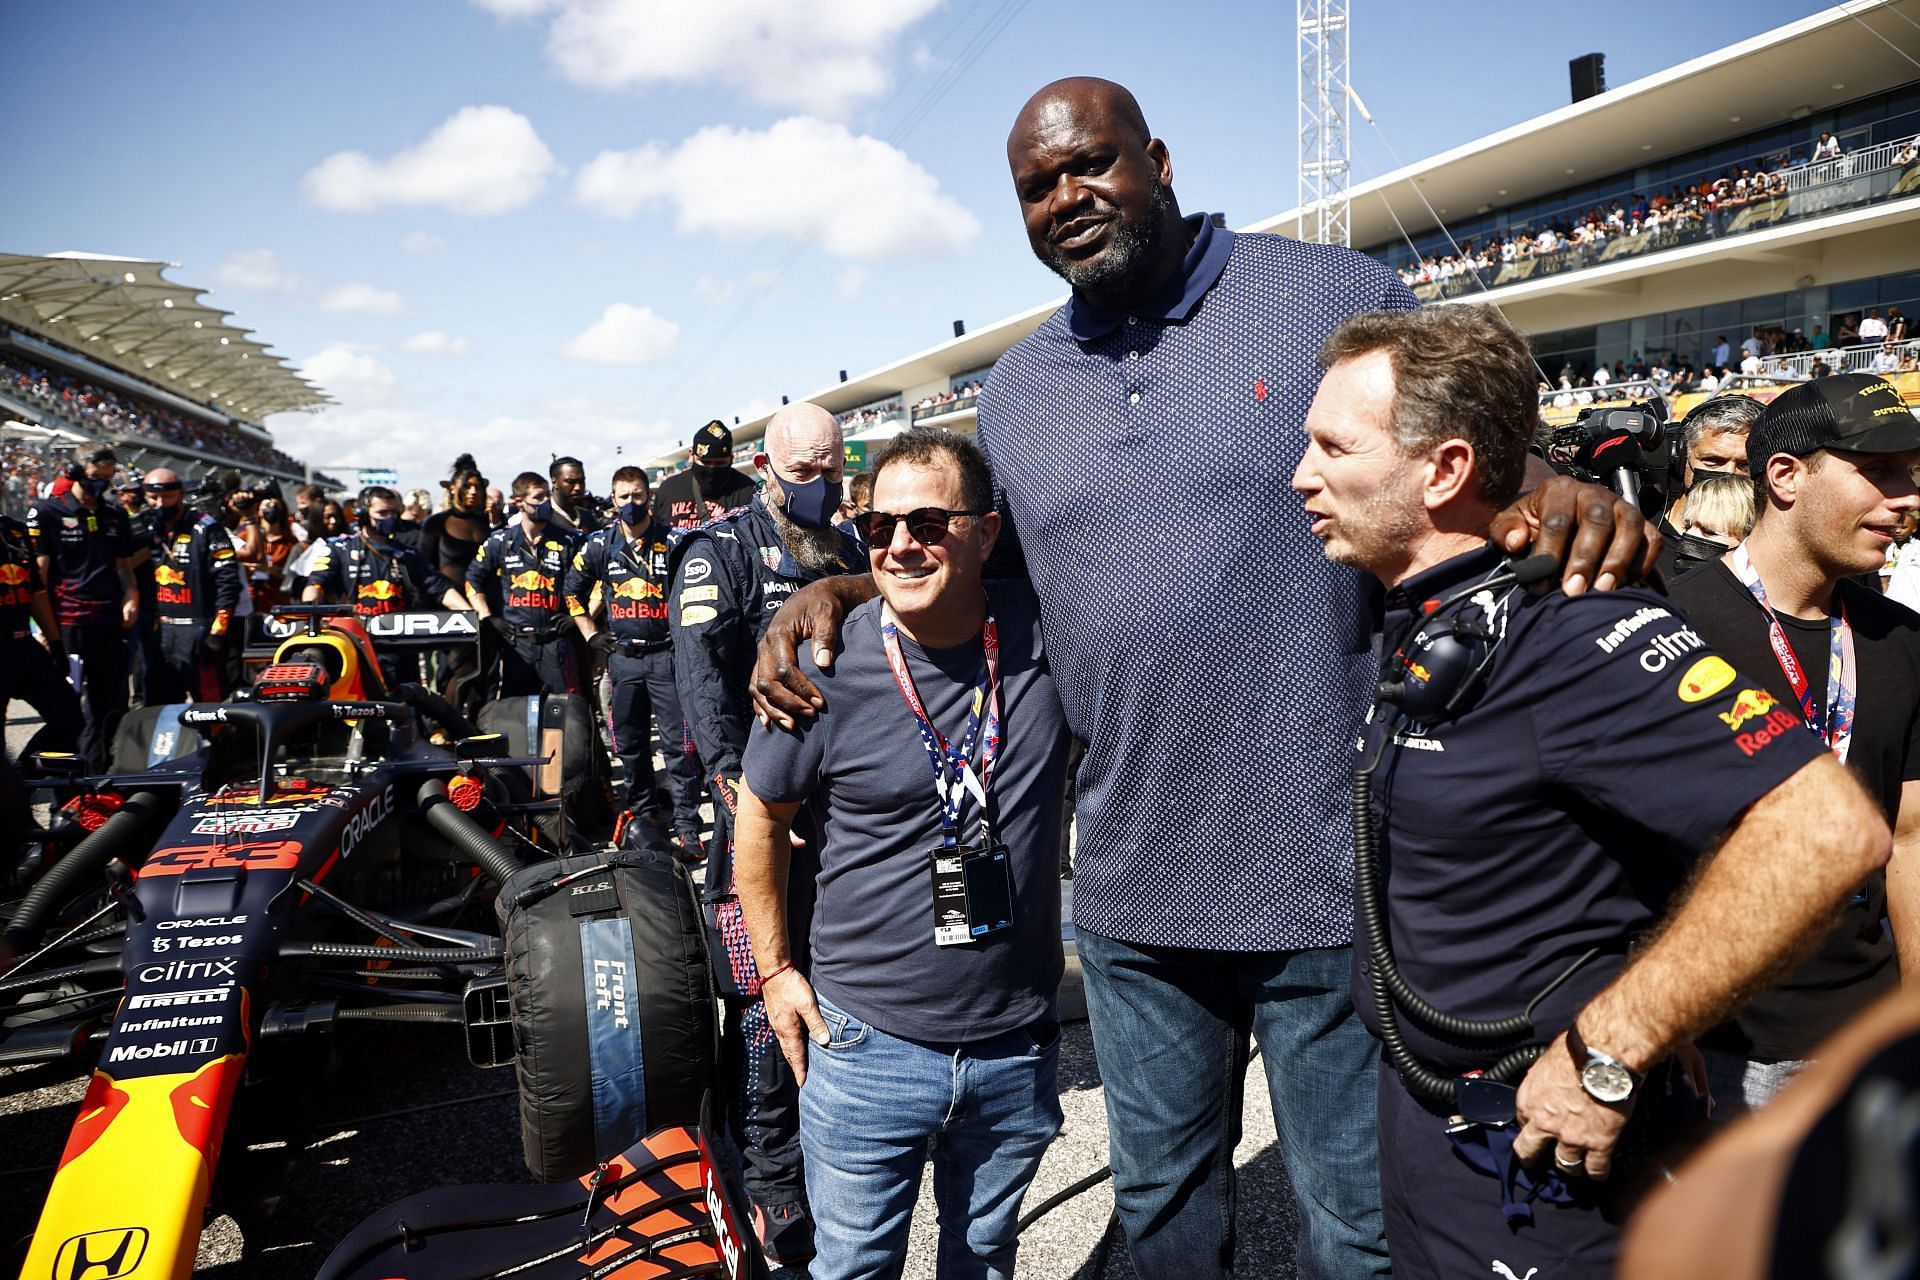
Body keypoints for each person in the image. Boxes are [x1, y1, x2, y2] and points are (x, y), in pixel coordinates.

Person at [751, 76, 1656, 1280]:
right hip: (1133, 902)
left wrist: (1555, 485)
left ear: (1160, 160)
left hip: (1328, 877)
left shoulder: (1332, 299)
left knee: (1355, 1227)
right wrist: (851, 587)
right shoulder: (1018, 393)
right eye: (1036, 187)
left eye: (1091, 165)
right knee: (1167, 1217)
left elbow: (1466, 469)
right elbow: (985, 560)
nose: (1067, 197)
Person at [1292, 303, 1887, 1278]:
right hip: (1431, 1129)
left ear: (1442, 471)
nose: (1302, 474)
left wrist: (1613, 1046)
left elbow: (1822, 830)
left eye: (1330, 446)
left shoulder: (1567, 632)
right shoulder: (1424, 613)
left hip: (1548, 1162)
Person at [735, 429, 1068, 1279]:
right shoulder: (822, 664)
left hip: (1014, 1041)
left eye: (927, 522)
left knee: (986, 1257)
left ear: (987, 534)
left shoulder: (1050, 633)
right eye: (878, 530)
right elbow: (760, 820)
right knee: (853, 1268)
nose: (900, 545)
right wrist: (774, 973)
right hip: (864, 1041)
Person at [1666, 373, 1920, 1117]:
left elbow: (1909, 840)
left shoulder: (1902, 643)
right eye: (1877, 472)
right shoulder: (1669, 626)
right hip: (1713, 1043)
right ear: (1785, 476)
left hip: (1861, 1035)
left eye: (1911, 472)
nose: (1906, 496)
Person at [670, 401, 865, 1267]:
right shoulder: (723, 551)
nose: (819, 485)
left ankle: (837, 1150)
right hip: (760, 820)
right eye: (803, 471)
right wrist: (730, 782)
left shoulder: (856, 548)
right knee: (760, 1006)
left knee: (839, 988)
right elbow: (700, 680)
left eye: (831, 468)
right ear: (767, 466)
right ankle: (771, 1179)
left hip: (845, 816)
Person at [564, 466, 700, 852]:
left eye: (637, 495)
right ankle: (641, 820)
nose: (630, 503)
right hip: (622, 660)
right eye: (623, 497)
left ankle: (687, 826)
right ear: (612, 499)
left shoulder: (674, 541)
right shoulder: (598, 545)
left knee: (680, 747)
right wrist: (592, 635)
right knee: (631, 746)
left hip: (666, 658)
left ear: (649, 497)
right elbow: (571, 593)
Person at [28, 450, 138, 769]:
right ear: (77, 471)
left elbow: (124, 566)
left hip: (108, 625)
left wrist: (131, 594)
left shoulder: (115, 515)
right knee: (68, 705)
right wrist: (44, 631)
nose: (101, 483)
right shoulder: (48, 513)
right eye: (96, 475)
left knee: (110, 705)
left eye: (107, 477)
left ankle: (99, 771)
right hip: (69, 630)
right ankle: (50, 773)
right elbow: (40, 577)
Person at [303, 486, 468, 689]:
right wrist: (309, 612)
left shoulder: (407, 554)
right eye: (382, 513)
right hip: (357, 644)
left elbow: (438, 587)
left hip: (401, 645)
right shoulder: (340, 549)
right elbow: (315, 584)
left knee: (409, 704)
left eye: (393, 513)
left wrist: (470, 613)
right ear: (362, 514)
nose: (389, 518)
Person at [0, 508, 83, 838]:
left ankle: (38, 784)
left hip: (24, 645)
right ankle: (15, 823)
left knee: (70, 718)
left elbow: (36, 591)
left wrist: (54, 641)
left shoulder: (14, 531)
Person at [466, 474, 583, 699]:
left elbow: (595, 580)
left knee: (564, 712)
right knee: (516, 713)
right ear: (519, 502)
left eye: (547, 495)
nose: (546, 502)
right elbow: (472, 578)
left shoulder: (569, 541)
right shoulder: (500, 541)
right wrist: (488, 617)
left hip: (556, 641)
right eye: (538, 497)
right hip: (515, 643)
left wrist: (578, 616)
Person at [142, 467, 240, 704]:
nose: (159, 503)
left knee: (211, 705)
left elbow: (228, 582)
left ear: (181, 493)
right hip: (160, 632)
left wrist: (218, 631)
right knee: (158, 707)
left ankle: (216, 740)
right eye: (153, 497)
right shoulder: (145, 528)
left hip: (199, 630)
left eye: (167, 496)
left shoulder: (207, 528)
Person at [1656, 395, 1763, 580]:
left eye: (1744, 465)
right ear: (1681, 458)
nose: (1728, 474)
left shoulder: (1770, 538)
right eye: (1712, 461)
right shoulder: (1642, 533)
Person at [654, 420, 759, 530]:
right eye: (705, 462)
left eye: (720, 463)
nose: (711, 469)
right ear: (691, 455)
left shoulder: (748, 491)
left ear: (731, 459)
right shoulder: (669, 489)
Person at [546, 455, 604, 534]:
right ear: (554, 482)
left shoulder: (587, 517)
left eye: (581, 481)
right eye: (570, 482)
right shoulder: (544, 519)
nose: (578, 488)